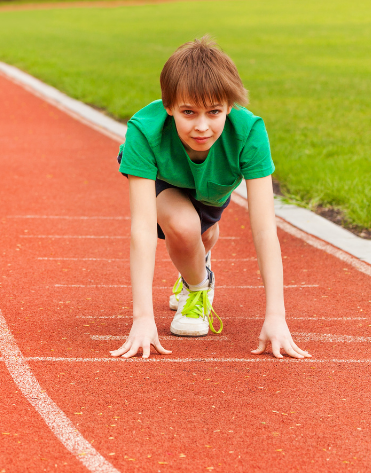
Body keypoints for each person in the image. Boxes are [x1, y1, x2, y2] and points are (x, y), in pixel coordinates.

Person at [112, 38, 309, 359]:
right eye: (188, 112)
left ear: (229, 107)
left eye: (214, 112)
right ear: (168, 106)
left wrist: (276, 316)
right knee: (183, 226)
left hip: (212, 188)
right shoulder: (144, 131)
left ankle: (198, 261)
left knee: (203, 235)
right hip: (165, 179)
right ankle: (197, 290)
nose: (201, 126)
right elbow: (144, 229)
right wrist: (143, 318)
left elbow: (264, 230)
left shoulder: (249, 132)